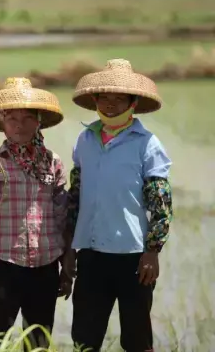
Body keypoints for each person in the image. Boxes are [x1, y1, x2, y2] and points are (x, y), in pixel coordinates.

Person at [64, 59, 173, 352]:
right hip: (91, 254)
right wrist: (70, 249)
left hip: (133, 257)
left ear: (133, 103)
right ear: (95, 100)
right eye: (105, 97)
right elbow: (75, 196)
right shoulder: (85, 139)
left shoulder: (147, 143)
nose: (111, 104)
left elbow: (160, 201)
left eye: (119, 98)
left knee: (137, 339)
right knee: (85, 338)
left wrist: (152, 251)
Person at [0, 77, 71, 350]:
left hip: (46, 266)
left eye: (26, 118)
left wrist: (67, 265)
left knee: (38, 342)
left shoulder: (53, 163)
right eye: (11, 119)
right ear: (1, 123)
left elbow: (63, 217)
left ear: (38, 121)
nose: (19, 125)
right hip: (3, 264)